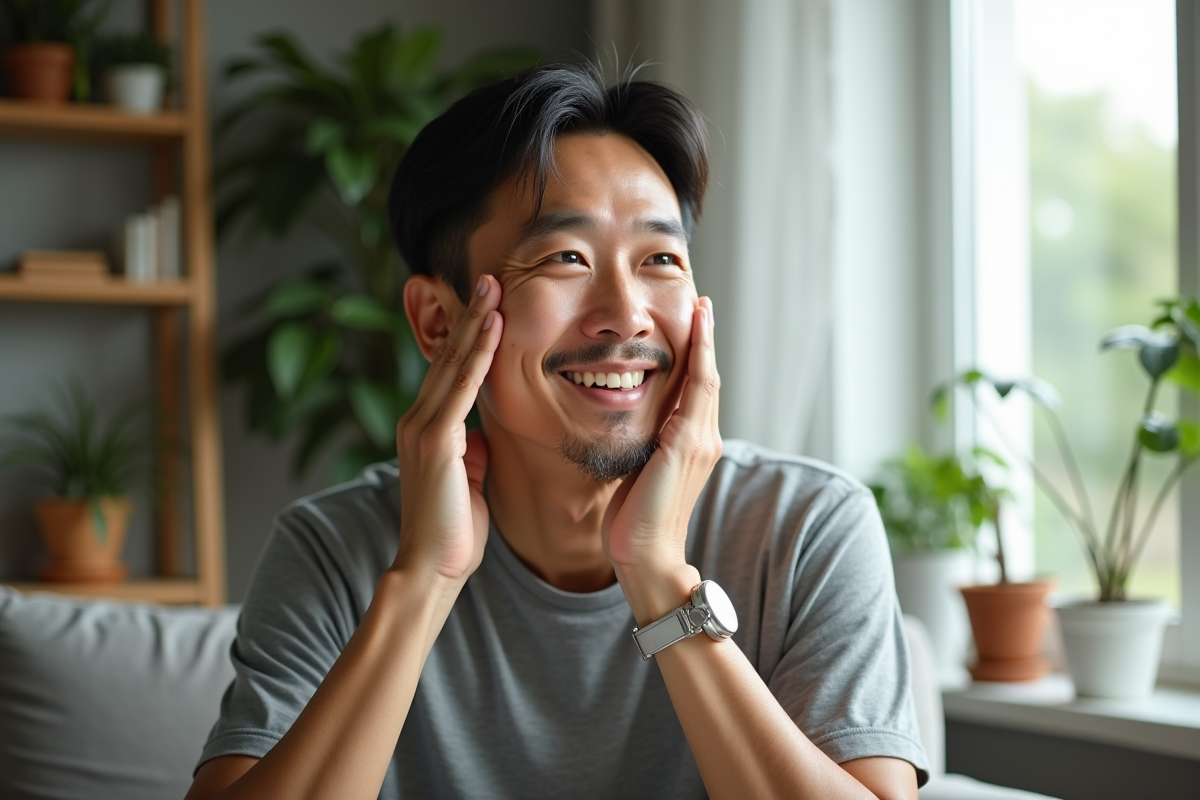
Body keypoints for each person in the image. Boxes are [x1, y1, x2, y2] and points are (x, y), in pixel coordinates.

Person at [185, 63, 927, 800]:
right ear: (439, 322)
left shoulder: (804, 528)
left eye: (660, 260)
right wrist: (422, 584)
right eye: (565, 257)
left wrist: (661, 581)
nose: (628, 313)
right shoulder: (331, 550)